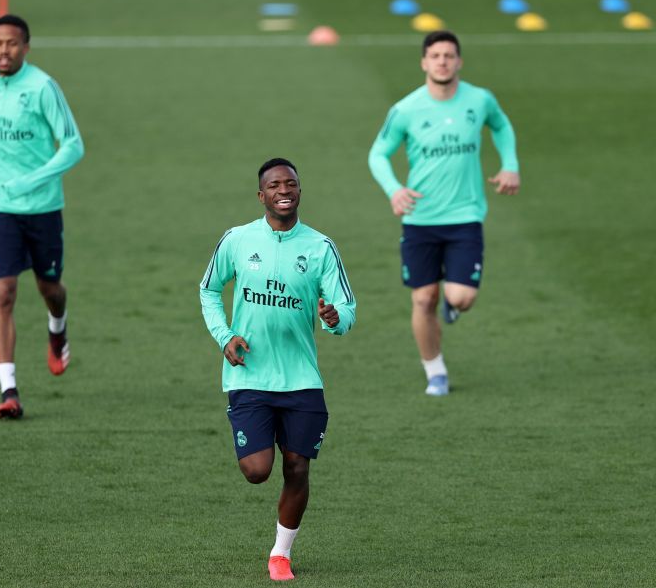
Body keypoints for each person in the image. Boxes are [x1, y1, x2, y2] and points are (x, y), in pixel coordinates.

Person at [200, 158, 356, 581]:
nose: (283, 190)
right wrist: (224, 335)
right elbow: (209, 289)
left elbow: (347, 307)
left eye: (291, 184)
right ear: (261, 195)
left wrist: (333, 318)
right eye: (274, 185)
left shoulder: (321, 248)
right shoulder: (237, 239)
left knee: (298, 467)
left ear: (300, 191)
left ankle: (280, 554)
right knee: (256, 470)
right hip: (249, 374)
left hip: (302, 379)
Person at [368, 30, 520, 397]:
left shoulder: (479, 100)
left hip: (465, 215)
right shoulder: (406, 109)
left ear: (459, 61)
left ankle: (454, 303)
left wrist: (510, 164)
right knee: (423, 299)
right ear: (424, 62)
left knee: (461, 297)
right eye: (435, 55)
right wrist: (395, 190)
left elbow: (501, 125)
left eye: (448, 55)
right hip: (420, 219)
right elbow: (377, 154)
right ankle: (435, 371)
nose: (442, 61)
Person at [0, 14, 84, 418]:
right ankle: (8, 390)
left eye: (12, 44)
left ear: (26, 47)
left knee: (51, 289)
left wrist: (34, 179)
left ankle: (58, 326)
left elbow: (74, 145)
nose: (4, 51)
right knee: (2, 292)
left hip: (43, 207)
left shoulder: (43, 87)